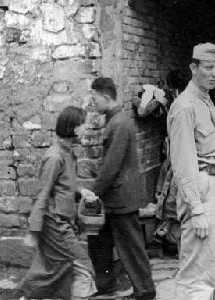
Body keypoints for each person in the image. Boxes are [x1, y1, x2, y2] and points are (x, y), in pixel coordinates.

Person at [167, 42, 215, 300]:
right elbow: (183, 163)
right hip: (199, 193)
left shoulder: (205, 102)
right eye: (208, 67)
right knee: (195, 275)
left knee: (210, 267)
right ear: (193, 68)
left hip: (211, 188)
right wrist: (197, 209)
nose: (214, 74)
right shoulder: (185, 107)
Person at [18, 106, 97, 300]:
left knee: (51, 269)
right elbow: (42, 195)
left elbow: (64, 185)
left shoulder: (67, 153)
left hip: (62, 222)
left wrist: (80, 190)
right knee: (83, 266)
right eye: (84, 124)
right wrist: (33, 231)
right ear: (73, 127)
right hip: (56, 224)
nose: (87, 128)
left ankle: (25, 297)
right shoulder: (54, 157)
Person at [87, 77, 155, 300]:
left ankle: (145, 291)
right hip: (114, 198)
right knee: (98, 240)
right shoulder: (115, 120)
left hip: (120, 198)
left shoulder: (118, 124)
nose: (92, 103)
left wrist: (94, 193)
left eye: (95, 98)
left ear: (106, 97)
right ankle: (106, 287)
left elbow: (111, 165)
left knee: (131, 248)